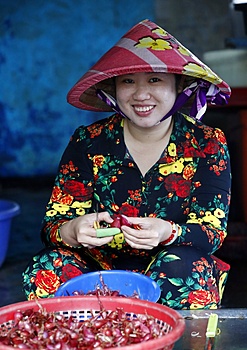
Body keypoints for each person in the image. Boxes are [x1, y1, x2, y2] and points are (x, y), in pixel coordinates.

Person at [22, 19, 231, 309]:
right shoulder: (88, 141)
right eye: (128, 81)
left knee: (186, 267)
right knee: (48, 265)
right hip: (98, 268)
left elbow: (212, 231)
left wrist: (167, 232)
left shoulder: (207, 142)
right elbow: (52, 227)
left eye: (154, 80)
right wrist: (72, 229)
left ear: (178, 85)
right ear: (114, 89)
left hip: (172, 267)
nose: (141, 94)